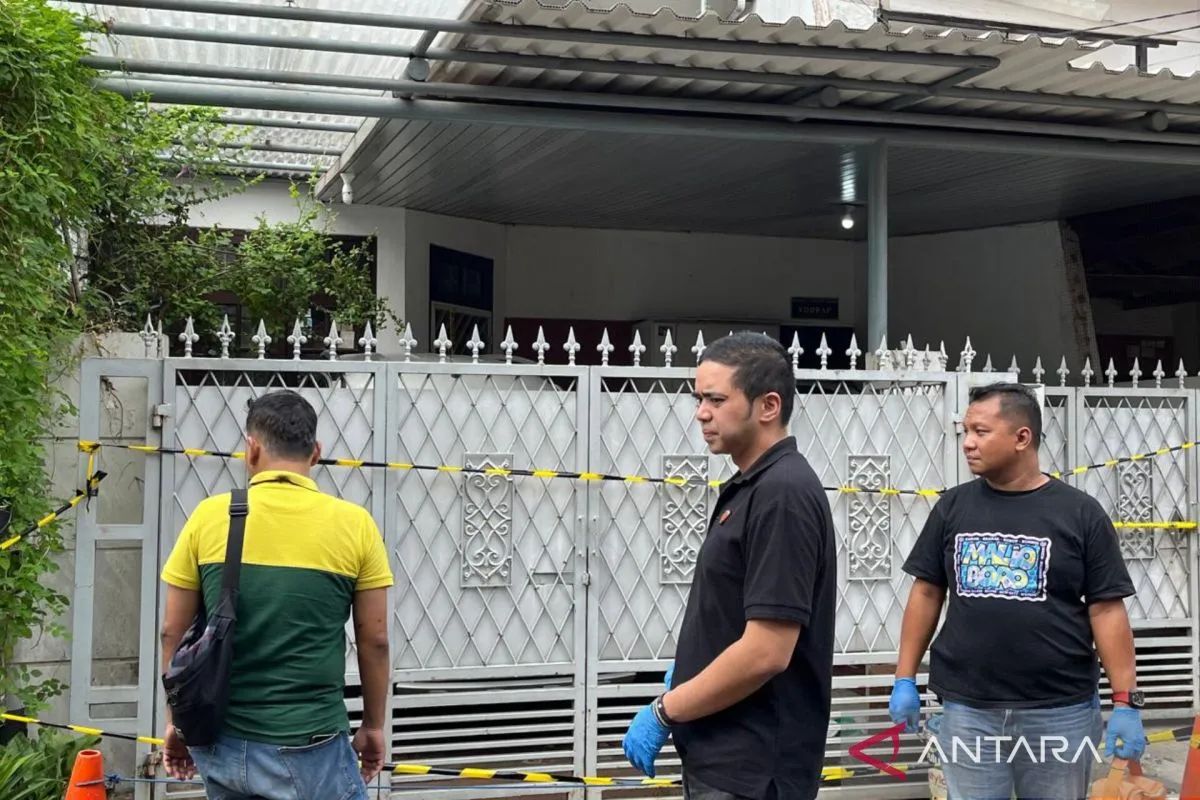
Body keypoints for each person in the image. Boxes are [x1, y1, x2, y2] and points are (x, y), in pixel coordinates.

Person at [889, 382, 1146, 800]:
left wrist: (1125, 702)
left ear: (1022, 437)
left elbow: (1107, 610)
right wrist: (904, 677)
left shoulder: (1080, 513)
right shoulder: (952, 508)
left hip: (1058, 710)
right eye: (966, 432)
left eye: (981, 431)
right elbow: (927, 593)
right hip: (969, 709)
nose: (968, 443)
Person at [622, 332, 836, 800]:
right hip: (724, 757)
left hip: (753, 770)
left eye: (716, 400)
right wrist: (689, 670)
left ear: (768, 406)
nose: (701, 413)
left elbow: (767, 651)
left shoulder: (782, 493)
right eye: (699, 399)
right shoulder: (754, 484)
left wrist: (665, 709)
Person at [159, 390, 394, 800]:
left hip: (220, 742)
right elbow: (374, 641)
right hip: (312, 746)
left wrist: (176, 724)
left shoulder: (208, 517)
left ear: (251, 450)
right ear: (316, 453)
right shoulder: (355, 525)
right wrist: (373, 726)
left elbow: (171, 633)